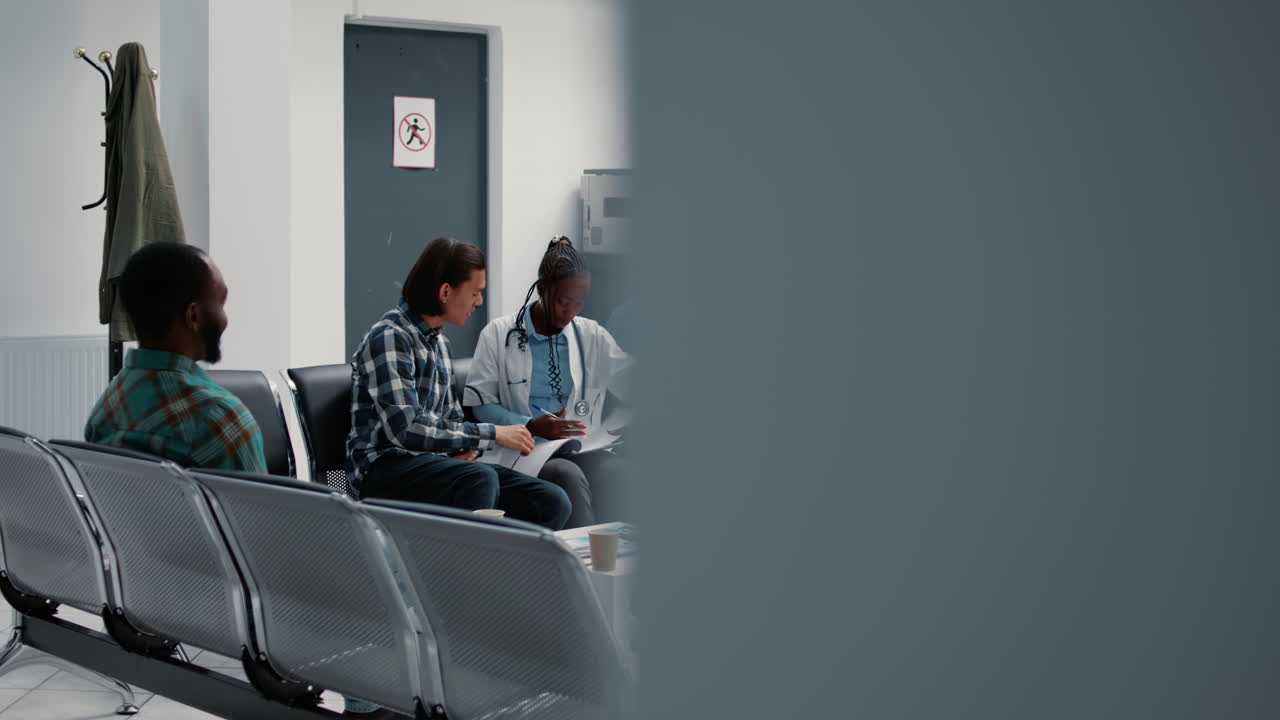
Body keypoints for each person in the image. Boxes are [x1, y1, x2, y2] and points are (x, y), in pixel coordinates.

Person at [345, 236, 573, 530]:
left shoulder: (439, 343)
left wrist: (466, 449)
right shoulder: (390, 337)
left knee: (551, 500)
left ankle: (509, 573)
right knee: (479, 479)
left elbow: (449, 418)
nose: (479, 302)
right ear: (445, 291)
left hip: (432, 467)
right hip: (383, 471)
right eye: (476, 292)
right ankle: (464, 574)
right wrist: (492, 434)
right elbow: (407, 429)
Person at [466, 236, 632, 527]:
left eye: (578, 303)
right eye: (563, 302)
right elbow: (482, 405)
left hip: (581, 444)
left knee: (618, 473)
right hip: (524, 450)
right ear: (542, 290)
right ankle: (580, 567)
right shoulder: (497, 334)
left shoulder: (591, 335)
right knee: (566, 476)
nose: (570, 312)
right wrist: (529, 424)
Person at [84, 242, 267, 473]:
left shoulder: (106, 409)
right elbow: (256, 509)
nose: (225, 318)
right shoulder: (218, 417)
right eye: (221, 303)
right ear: (194, 315)